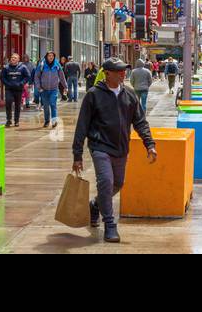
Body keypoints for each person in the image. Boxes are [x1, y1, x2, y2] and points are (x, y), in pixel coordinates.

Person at [72, 58, 157, 244]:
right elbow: (82, 126)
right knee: (106, 181)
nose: (123, 74)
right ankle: (109, 224)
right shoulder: (93, 95)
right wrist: (77, 155)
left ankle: (95, 205)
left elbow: (140, 122)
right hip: (100, 146)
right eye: (119, 71)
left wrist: (149, 144)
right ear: (107, 73)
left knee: (117, 184)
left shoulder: (130, 94)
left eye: (124, 70)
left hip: (120, 148)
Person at [0, 53, 32, 127]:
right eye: (12, 57)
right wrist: (7, 84)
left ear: (18, 59)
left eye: (15, 58)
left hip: (18, 89)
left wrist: (21, 83)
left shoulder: (23, 67)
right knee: (8, 103)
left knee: (17, 105)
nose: (13, 59)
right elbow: (2, 77)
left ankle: (16, 121)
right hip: (9, 89)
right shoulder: (6, 68)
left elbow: (27, 76)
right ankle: (9, 120)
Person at [35, 51, 65, 129]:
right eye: (49, 56)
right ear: (46, 56)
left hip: (54, 89)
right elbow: (36, 76)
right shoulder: (42, 64)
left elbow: (61, 76)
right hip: (43, 90)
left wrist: (65, 86)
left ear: (54, 57)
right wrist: (39, 87)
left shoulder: (57, 64)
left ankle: (54, 121)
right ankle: (47, 121)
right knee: (45, 106)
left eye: (52, 56)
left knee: (53, 104)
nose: (51, 57)